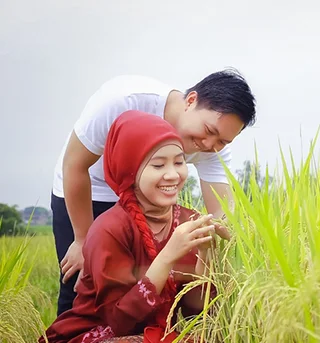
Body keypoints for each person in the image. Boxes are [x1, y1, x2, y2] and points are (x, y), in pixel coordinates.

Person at [50, 69, 256, 317]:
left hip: (147, 202)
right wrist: (83, 239)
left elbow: (222, 210)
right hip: (88, 190)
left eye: (223, 141)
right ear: (191, 101)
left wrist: (225, 240)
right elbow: (74, 165)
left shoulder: (214, 147)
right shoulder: (124, 101)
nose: (210, 145)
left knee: (147, 289)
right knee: (80, 286)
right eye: (209, 131)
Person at [40, 110, 231, 343]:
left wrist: (204, 255)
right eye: (158, 165)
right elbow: (120, 323)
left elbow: (195, 314)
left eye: (179, 162)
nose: (173, 175)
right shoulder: (109, 229)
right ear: (130, 169)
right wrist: (168, 256)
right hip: (98, 335)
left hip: (154, 334)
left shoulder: (188, 222)